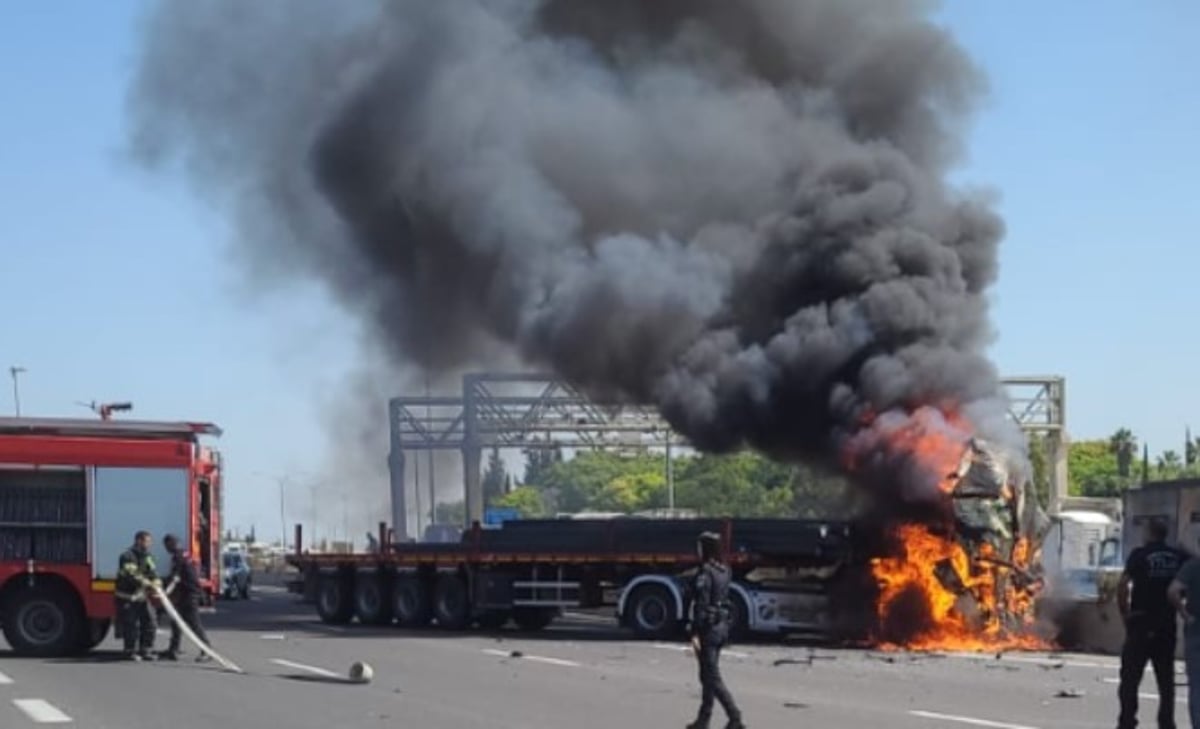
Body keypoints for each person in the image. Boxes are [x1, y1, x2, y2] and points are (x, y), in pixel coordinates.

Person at [1117, 518, 1188, 729]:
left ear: (1149, 533)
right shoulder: (1178, 556)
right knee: (1166, 680)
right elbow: (1188, 581)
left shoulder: (1139, 555)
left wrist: (1125, 615)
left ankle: (1127, 721)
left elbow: (1123, 586)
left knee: (1130, 679)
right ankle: (1166, 723)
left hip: (1140, 621)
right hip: (1166, 624)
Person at [687, 531, 744, 729]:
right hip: (721, 626)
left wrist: (694, 632)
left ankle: (734, 716)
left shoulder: (705, 573)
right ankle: (704, 718)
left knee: (711, 676)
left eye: (700, 546)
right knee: (706, 674)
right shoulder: (725, 570)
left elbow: (701, 604)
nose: (698, 550)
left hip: (709, 628)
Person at [159, 533, 212, 662]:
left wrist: (164, 591)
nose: (166, 549)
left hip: (189, 594)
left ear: (171, 544)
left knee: (193, 623)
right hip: (186, 592)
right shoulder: (185, 554)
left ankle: (206, 650)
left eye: (167, 545)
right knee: (176, 621)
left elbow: (175, 578)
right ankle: (173, 649)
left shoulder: (178, 557)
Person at [115, 530, 160, 661]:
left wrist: (157, 583)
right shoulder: (126, 556)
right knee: (131, 624)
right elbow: (132, 575)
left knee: (150, 621)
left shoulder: (148, 556)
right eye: (147, 541)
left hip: (142, 596)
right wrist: (148, 584)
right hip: (127, 596)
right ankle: (130, 651)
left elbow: (152, 572)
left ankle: (146, 650)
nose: (149, 544)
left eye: (149, 542)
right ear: (138, 541)